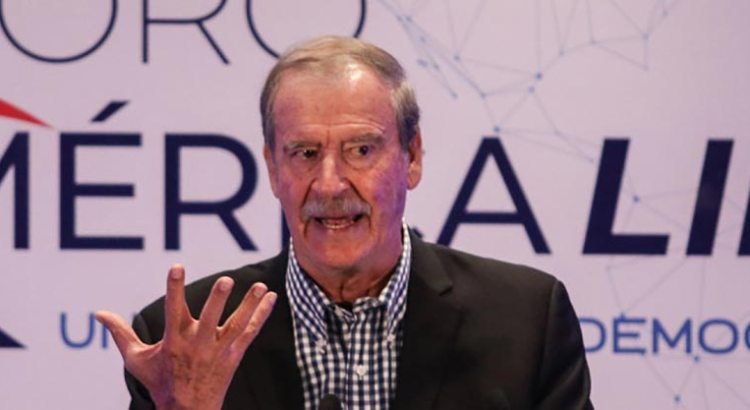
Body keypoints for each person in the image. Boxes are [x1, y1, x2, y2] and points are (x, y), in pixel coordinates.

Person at [96, 36, 593, 410]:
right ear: (272, 168)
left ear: (412, 157)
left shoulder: (526, 321)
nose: (330, 184)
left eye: (360, 150)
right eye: (305, 153)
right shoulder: (186, 342)